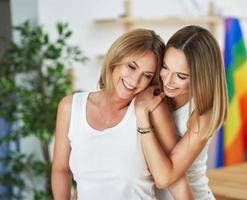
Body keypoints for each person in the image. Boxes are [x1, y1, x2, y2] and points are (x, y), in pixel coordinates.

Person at [51, 28, 194, 200]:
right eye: (131, 66)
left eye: (147, 76)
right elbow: (61, 169)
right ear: (116, 58)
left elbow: (176, 180)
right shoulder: (70, 107)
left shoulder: (152, 108)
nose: (134, 81)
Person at [134, 25, 228, 200]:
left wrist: (142, 118)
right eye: (164, 67)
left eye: (181, 76)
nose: (167, 80)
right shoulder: (151, 90)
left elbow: (164, 178)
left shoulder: (204, 114)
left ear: (200, 77)